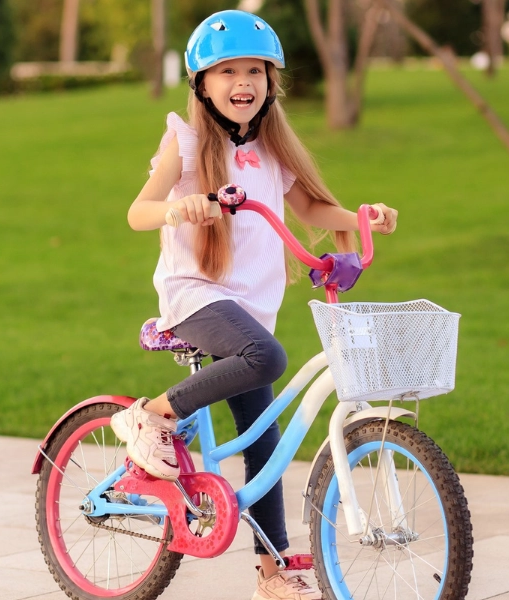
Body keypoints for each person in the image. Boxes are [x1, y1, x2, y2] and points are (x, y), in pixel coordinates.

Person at [111, 10, 399, 600]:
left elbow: (313, 210)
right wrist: (179, 208)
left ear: (271, 83)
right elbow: (138, 210)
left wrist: (361, 217)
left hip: (248, 310)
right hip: (196, 298)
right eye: (228, 72)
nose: (243, 83)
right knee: (266, 356)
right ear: (202, 85)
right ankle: (155, 415)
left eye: (255, 72)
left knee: (263, 442)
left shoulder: (272, 148)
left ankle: (272, 574)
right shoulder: (186, 140)